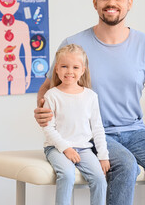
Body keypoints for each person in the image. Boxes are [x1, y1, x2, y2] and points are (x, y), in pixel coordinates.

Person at [35, 0, 145, 205]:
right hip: (93, 133)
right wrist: (43, 111)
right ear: (95, 3)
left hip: (136, 131)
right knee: (126, 166)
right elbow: (47, 88)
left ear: (129, 3)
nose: (111, 3)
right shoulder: (74, 44)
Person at [43, 44, 109, 205]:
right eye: (64, 66)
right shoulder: (51, 95)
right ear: (56, 69)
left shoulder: (91, 96)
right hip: (56, 148)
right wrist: (66, 148)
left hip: (84, 148)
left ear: (83, 70)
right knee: (67, 174)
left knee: (100, 179)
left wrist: (103, 156)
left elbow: (98, 128)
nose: (69, 71)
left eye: (75, 67)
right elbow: (48, 128)